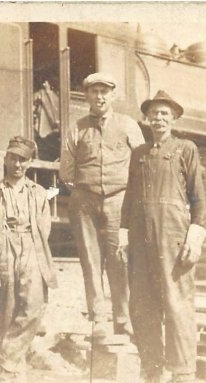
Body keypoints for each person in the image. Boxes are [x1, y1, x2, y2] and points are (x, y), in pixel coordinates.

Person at [118, 90, 206, 383]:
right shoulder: (138, 154)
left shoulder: (186, 149)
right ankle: (151, 372)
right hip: (141, 238)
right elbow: (130, 198)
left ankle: (182, 374)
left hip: (173, 237)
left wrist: (195, 238)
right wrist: (123, 235)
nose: (158, 119)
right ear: (146, 118)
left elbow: (199, 199)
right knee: (142, 304)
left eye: (164, 114)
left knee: (176, 301)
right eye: (154, 114)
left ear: (173, 118)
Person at [59, 72, 145, 338]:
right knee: (90, 260)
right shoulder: (77, 127)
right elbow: (66, 169)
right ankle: (98, 318)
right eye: (94, 92)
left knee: (118, 259)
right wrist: (85, 190)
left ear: (113, 95)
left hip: (119, 201)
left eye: (104, 92)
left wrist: (127, 195)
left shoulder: (128, 125)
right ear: (87, 96)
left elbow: (141, 163)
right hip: (84, 201)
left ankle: (122, 318)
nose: (99, 97)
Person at [0, 137, 57, 383]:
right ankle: (15, 366)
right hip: (3, 246)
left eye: (22, 159)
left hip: (32, 246)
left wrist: (30, 246)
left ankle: (4, 360)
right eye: (13, 157)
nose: (17, 164)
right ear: (5, 159)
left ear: (29, 162)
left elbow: (44, 227)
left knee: (34, 306)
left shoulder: (38, 193)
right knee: (6, 306)